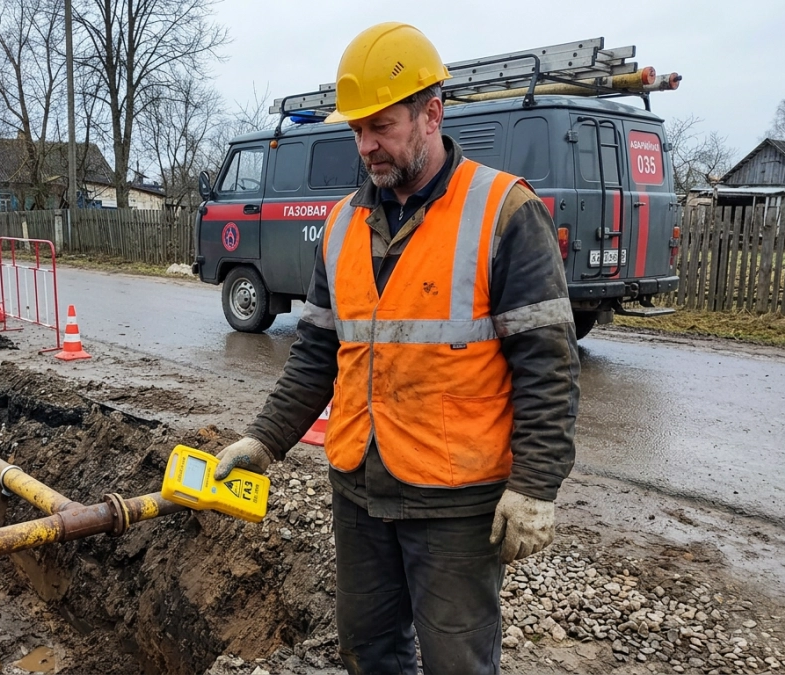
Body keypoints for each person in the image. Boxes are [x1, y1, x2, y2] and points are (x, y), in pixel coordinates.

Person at [212, 22, 580, 675]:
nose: (365, 146)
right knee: (369, 651)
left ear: (431, 113)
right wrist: (265, 439)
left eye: (380, 126)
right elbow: (317, 355)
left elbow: (548, 366)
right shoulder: (340, 225)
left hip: (456, 498)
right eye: (356, 130)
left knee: (456, 664)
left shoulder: (503, 212)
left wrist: (534, 485)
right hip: (358, 486)